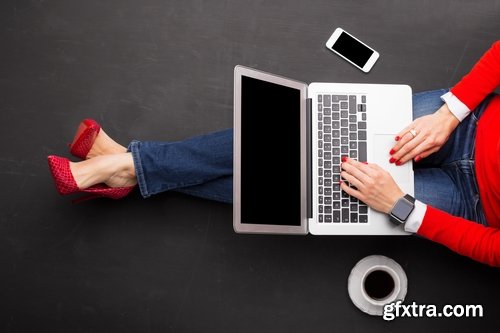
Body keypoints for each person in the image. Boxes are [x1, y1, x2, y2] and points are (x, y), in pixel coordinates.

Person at [48, 41, 500, 266]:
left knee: (315, 198)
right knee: (302, 136)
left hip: (469, 205)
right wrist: (451, 113)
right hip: (468, 124)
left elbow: (492, 249)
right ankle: (129, 169)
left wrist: (400, 209)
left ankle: (127, 165)